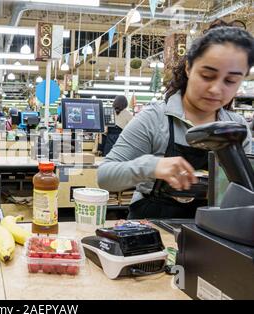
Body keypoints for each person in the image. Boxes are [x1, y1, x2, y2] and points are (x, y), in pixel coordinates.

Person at [97, 25, 254, 220]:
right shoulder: (154, 119)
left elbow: (247, 189)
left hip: (215, 229)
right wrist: (152, 166)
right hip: (153, 225)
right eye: (207, 76)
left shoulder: (236, 129)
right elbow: (104, 176)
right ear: (188, 67)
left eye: (230, 81)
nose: (216, 89)